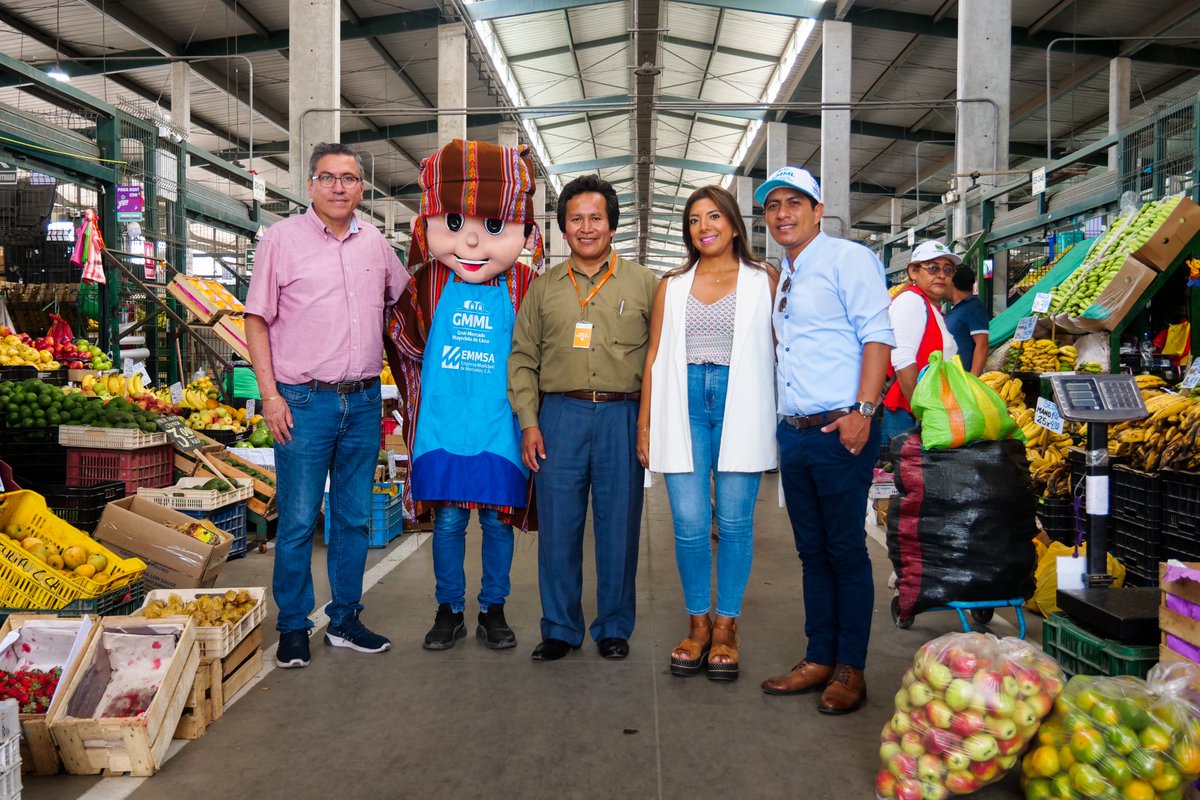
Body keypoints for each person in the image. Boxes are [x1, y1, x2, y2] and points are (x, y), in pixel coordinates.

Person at [245, 142, 410, 669]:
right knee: (297, 521)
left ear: (362, 187)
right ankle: (294, 626)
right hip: (303, 401)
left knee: (353, 518)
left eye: (349, 178)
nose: (339, 187)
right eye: (327, 177)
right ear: (310, 185)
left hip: (362, 400)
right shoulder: (281, 240)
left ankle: (344, 619)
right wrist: (270, 396)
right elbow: (256, 320)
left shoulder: (376, 244)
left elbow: (406, 303)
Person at [383, 139, 542, 653]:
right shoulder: (426, 282)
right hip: (444, 422)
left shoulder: (525, 284)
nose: (472, 240)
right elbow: (402, 337)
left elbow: (543, 348)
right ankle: (449, 609)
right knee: (449, 520)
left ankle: (493, 608)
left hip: (502, 423)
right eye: (454, 224)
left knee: (497, 521)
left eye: (493, 226)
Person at [758, 166, 894, 715]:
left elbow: (877, 337)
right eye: (773, 206)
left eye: (794, 203)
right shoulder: (786, 275)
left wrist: (864, 411)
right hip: (796, 432)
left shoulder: (847, 259)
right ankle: (818, 657)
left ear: (818, 211)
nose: (782, 214)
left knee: (844, 549)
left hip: (842, 427)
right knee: (811, 551)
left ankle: (850, 668)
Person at [508, 174, 658, 662]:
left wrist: (648, 425)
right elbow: (522, 358)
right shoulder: (543, 289)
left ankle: (613, 625)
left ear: (612, 225)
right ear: (563, 227)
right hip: (560, 416)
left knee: (620, 527)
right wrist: (529, 422)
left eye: (596, 218)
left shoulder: (645, 285)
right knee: (558, 528)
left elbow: (661, 359)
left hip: (622, 416)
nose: (586, 227)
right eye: (576, 219)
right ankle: (559, 627)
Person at [636, 186, 778, 682]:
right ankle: (697, 624)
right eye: (695, 220)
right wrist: (645, 423)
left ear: (735, 225)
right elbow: (654, 355)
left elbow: (783, 347)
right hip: (684, 404)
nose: (704, 227)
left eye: (714, 216)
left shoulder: (763, 279)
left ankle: (726, 628)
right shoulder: (673, 284)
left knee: (735, 523)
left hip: (743, 401)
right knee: (690, 524)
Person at [881, 241, 960, 448]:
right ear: (913, 272)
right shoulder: (911, 302)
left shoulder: (929, 304)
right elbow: (903, 361)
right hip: (909, 415)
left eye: (948, 270)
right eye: (933, 268)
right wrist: (922, 415)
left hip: (925, 411)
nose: (941, 275)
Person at [944, 264, 990, 376]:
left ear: (952, 283)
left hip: (962, 379)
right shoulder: (958, 309)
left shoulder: (974, 308)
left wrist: (971, 381)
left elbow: (982, 346)